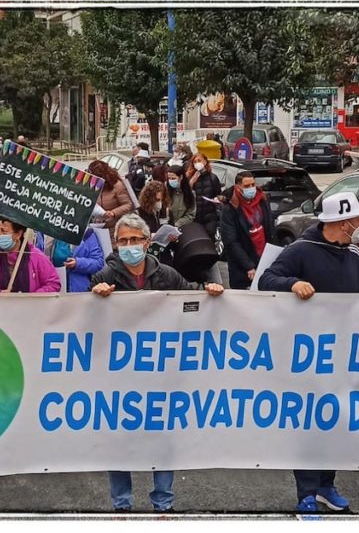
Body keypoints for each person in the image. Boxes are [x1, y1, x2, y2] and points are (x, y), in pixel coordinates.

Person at [258, 192, 359, 513]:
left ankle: (326, 484)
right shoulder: (300, 251)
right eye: (358, 221)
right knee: (309, 424)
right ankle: (306, 492)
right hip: (306, 355)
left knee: (336, 422)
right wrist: (292, 283)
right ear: (342, 222)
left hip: (343, 353)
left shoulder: (353, 255)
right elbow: (267, 279)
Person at [90, 213, 223, 512]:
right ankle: (121, 505)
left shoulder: (167, 274)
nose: (129, 246)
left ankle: (163, 503)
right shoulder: (104, 278)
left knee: (162, 440)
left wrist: (209, 292)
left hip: (161, 375)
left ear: (148, 242)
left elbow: (191, 304)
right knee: (119, 440)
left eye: (135, 240)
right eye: (122, 241)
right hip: (120, 376)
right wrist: (94, 297)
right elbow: (90, 322)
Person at [0, 217, 61, 293]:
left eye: (4, 231)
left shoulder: (36, 257)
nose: (0, 235)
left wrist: (33, 297)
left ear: (18, 234)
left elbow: (53, 284)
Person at [220, 171, 274, 290]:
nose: (251, 188)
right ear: (238, 187)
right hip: (242, 263)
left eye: (253, 185)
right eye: (246, 186)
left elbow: (269, 228)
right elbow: (231, 241)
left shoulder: (262, 200)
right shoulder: (230, 208)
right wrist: (248, 266)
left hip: (263, 257)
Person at [87, 160, 134, 236]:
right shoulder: (92, 186)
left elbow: (128, 205)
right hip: (97, 229)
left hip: (115, 229)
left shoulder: (117, 185)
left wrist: (113, 212)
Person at [186, 153, 223, 239]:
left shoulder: (213, 178)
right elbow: (185, 196)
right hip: (195, 217)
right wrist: (191, 183)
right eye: (195, 162)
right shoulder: (190, 177)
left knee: (210, 239)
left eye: (199, 161)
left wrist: (217, 200)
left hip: (210, 216)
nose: (197, 163)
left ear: (205, 162)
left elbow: (218, 195)